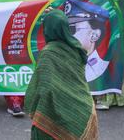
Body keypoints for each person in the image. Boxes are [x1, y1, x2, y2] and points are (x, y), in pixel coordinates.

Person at [24, 9, 99, 140]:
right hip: (84, 110)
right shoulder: (77, 48)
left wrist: (34, 103)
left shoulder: (49, 52)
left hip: (55, 113)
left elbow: (44, 88)